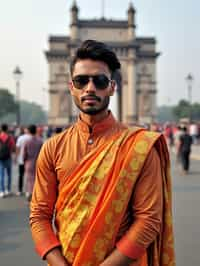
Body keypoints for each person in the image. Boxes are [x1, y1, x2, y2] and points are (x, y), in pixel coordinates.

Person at [30, 40, 175, 266]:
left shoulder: (139, 147)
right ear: (71, 87)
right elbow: (39, 216)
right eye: (81, 81)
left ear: (112, 86)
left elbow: (148, 220)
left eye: (99, 81)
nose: (90, 88)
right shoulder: (53, 148)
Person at [24, 125, 43, 201]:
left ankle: (30, 192)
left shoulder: (27, 141)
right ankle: (37, 194)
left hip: (29, 162)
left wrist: (24, 159)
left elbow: (25, 153)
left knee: (29, 179)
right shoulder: (40, 141)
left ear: (29, 131)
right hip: (38, 161)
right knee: (37, 178)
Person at [0, 124, 15, 198]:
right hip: (8, 157)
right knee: (9, 175)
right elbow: (13, 147)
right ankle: (8, 190)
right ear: (7, 129)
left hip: (1, 158)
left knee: (1, 175)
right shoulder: (10, 137)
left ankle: (2, 191)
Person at [15, 126, 31, 196]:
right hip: (30, 160)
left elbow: (17, 148)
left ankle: (20, 190)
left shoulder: (21, 138)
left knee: (21, 175)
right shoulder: (31, 138)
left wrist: (16, 157)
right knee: (29, 176)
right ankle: (28, 190)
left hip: (21, 159)